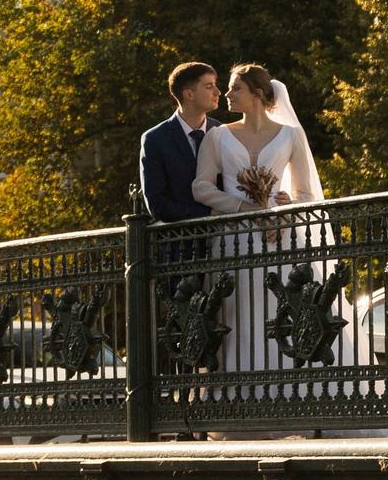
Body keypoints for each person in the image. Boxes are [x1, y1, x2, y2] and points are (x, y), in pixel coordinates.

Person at [190, 64, 327, 376]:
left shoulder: (292, 135)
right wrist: (242, 208)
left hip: (280, 239)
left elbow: (306, 194)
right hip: (232, 240)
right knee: (237, 316)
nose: (226, 94)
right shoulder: (217, 136)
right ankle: (240, 395)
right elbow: (201, 187)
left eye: (235, 88)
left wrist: (286, 209)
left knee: (280, 312)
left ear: (258, 93)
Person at [139, 61, 222, 224]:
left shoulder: (221, 131)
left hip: (228, 241)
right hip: (182, 244)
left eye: (215, 85)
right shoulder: (155, 139)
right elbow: (158, 205)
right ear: (189, 95)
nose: (218, 92)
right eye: (209, 86)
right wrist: (209, 213)